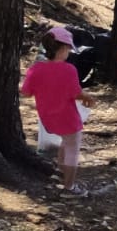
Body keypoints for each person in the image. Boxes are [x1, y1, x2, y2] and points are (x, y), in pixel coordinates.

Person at [21, 26, 90, 196]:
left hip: (48, 119)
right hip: (68, 117)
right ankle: (70, 187)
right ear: (63, 48)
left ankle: (63, 174)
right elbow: (76, 93)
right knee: (72, 148)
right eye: (68, 49)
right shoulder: (69, 70)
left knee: (65, 144)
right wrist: (88, 98)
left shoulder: (36, 69)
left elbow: (26, 92)